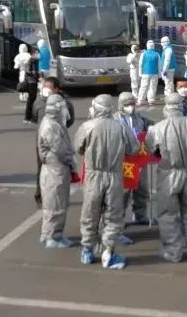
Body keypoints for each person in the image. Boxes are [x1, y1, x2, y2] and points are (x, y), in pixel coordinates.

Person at [75, 94, 140, 270]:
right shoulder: (121, 127)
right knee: (113, 215)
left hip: (93, 175)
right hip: (114, 175)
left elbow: (79, 148)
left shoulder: (87, 126)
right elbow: (133, 149)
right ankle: (109, 252)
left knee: (90, 213)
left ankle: (87, 250)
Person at [146, 94, 187, 263]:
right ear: (182, 106)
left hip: (167, 174)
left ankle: (173, 252)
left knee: (168, 215)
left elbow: (151, 148)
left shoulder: (157, 128)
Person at [37, 94, 76, 249]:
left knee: (56, 202)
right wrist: (71, 160)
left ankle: (50, 233)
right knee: (55, 204)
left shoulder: (55, 123)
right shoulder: (50, 126)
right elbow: (59, 148)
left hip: (57, 169)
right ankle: (52, 236)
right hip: (55, 170)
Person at [33, 77, 76, 206]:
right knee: (42, 168)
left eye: (49, 87)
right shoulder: (39, 101)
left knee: (62, 169)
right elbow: (34, 115)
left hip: (60, 141)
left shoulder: (65, 103)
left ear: (57, 89)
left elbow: (70, 119)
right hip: (42, 141)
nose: (46, 90)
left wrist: (60, 129)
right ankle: (40, 195)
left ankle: (60, 195)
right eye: (45, 87)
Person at [116, 91, 151, 226]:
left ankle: (140, 215)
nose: (130, 107)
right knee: (124, 190)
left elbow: (150, 129)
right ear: (121, 105)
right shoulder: (115, 119)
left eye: (132, 104)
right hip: (124, 159)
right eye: (127, 104)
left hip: (139, 157)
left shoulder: (140, 117)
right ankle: (119, 218)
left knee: (142, 188)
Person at [22, 48, 41, 124]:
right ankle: (28, 117)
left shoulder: (35, 61)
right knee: (31, 99)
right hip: (31, 82)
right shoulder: (31, 61)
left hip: (33, 81)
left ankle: (30, 117)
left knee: (32, 99)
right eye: (36, 53)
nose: (38, 54)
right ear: (32, 54)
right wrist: (35, 73)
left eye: (38, 53)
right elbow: (28, 71)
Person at [139, 40, 160, 105]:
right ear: (153, 46)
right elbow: (159, 65)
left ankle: (140, 100)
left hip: (145, 73)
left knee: (143, 87)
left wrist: (140, 73)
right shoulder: (157, 54)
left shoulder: (143, 54)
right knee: (152, 87)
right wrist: (159, 74)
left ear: (147, 45)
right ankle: (151, 100)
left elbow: (140, 64)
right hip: (154, 73)